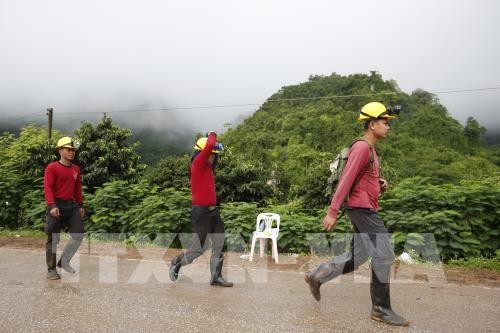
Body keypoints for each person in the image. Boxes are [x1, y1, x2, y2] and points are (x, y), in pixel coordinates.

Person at [304, 102, 409, 326]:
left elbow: (362, 180)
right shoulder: (361, 148)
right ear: (372, 125)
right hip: (362, 209)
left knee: (358, 256)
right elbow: (346, 180)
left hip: (363, 207)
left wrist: (379, 184)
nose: (388, 127)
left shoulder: (371, 150)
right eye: (384, 122)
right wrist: (332, 211)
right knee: (384, 254)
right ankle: (380, 309)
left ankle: (317, 275)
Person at [169, 132, 233, 287]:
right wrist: (212, 134)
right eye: (210, 154)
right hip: (201, 212)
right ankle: (177, 262)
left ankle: (215, 277)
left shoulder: (209, 169)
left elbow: (211, 147)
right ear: (201, 153)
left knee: (220, 242)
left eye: (214, 155)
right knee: (199, 248)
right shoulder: (197, 163)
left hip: (213, 211)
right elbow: (210, 144)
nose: (212, 157)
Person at [44, 136, 85, 280]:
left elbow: (77, 189)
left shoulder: (76, 169)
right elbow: (48, 188)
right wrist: (52, 205)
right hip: (56, 205)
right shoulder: (52, 167)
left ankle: (64, 261)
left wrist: (80, 205)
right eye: (68, 149)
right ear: (60, 151)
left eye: (73, 150)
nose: (71, 152)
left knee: (78, 234)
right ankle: (51, 270)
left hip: (71, 206)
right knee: (53, 239)